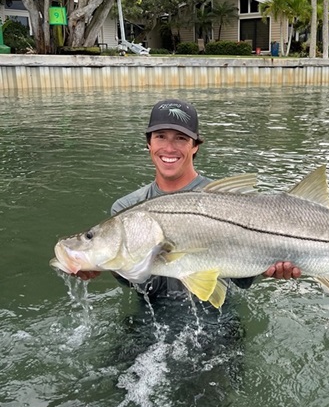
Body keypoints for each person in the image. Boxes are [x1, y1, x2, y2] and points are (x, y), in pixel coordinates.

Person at [77, 98, 301, 300]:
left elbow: (240, 280)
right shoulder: (126, 207)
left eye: (181, 138)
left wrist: (267, 266)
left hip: (218, 319)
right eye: (160, 137)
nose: (169, 148)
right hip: (149, 316)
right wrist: (105, 264)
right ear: (149, 144)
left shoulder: (227, 200)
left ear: (195, 146)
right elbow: (135, 283)